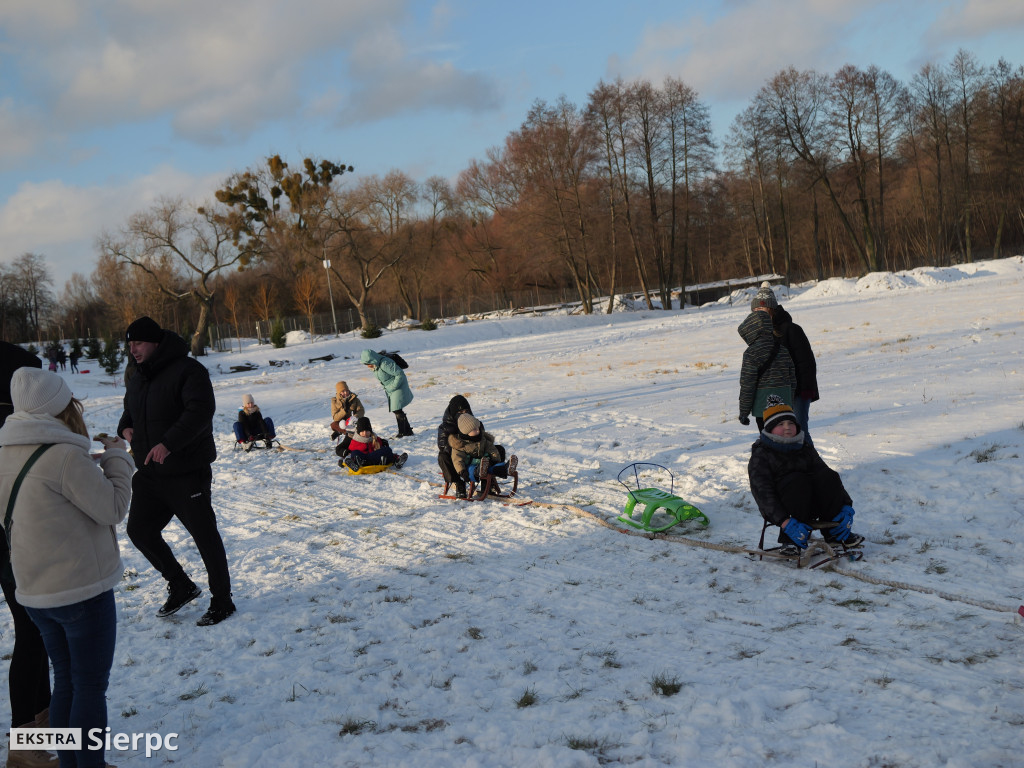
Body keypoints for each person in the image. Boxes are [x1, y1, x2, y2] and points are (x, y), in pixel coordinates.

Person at [0, 367, 133, 768]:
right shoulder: (62, 456)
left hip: (35, 593)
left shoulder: (5, 452)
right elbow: (113, 507)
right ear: (60, 407)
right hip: (81, 591)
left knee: (65, 683)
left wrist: (87, 464)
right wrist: (117, 459)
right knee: (90, 687)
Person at [116, 316, 236, 627]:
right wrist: (125, 427)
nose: (133, 350)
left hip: (186, 470)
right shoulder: (137, 375)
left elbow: (200, 412)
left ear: (155, 342)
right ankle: (180, 584)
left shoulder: (188, 370)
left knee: (203, 534)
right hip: (150, 471)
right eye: (130, 345)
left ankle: (223, 600)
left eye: (138, 343)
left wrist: (169, 443)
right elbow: (130, 409)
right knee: (139, 531)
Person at [0, 343, 56, 768]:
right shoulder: (11, 421)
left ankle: (40, 722)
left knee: (33, 625)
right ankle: (26, 743)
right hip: (10, 533)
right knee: (32, 625)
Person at [747, 398, 863, 555]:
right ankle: (790, 540)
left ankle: (835, 531)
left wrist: (847, 505)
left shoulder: (804, 446)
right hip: (784, 510)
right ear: (770, 429)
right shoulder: (762, 454)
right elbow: (762, 492)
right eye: (780, 424)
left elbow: (827, 475)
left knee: (828, 476)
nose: (787, 428)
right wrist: (783, 521)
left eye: (791, 423)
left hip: (812, 502)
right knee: (796, 481)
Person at [738, 291, 797, 431]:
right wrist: (790, 401)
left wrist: (744, 413)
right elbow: (792, 379)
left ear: (750, 331)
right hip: (785, 405)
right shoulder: (782, 349)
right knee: (784, 436)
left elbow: (747, 385)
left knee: (768, 440)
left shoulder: (751, 353)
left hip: (762, 407)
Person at [447, 414, 517, 494]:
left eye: (478, 428)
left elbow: (491, 449)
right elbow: (457, 460)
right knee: (473, 468)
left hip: (484, 463)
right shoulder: (459, 444)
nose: (477, 430)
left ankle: (505, 468)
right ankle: (479, 471)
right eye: (474, 429)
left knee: (491, 467)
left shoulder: (482, 439)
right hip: (469, 467)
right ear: (466, 432)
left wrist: (495, 459)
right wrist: (462, 471)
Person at [360, 350, 413, 437]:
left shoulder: (385, 363)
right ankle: (407, 431)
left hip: (398, 386)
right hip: (390, 389)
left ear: (372, 359)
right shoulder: (376, 365)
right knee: (397, 409)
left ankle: (403, 432)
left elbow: (399, 374)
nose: (368, 366)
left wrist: (392, 387)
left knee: (397, 409)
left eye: (368, 363)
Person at [437, 395, 475, 498]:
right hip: (455, 457)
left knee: (496, 449)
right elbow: (443, 445)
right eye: (460, 412)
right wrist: (459, 448)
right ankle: (459, 483)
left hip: (473, 455)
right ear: (454, 413)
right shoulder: (445, 427)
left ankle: (490, 480)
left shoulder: (475, 423)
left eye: (466, 411)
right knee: (442, 456)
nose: (464, 414)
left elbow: (483, 439)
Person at [338, 417, 407, 472]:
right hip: (362, 459)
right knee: (355, 453)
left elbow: (382, 448)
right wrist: (342, 460)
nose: (365, 433)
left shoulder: (374, 438)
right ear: (358, 432)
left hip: (374, 457)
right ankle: (355, 464)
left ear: (370, 431)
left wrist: (384, 443)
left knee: (387, 450)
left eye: (367, 431)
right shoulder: (355, 441)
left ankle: (397, 461)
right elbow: (349, 453)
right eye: (362, 431)